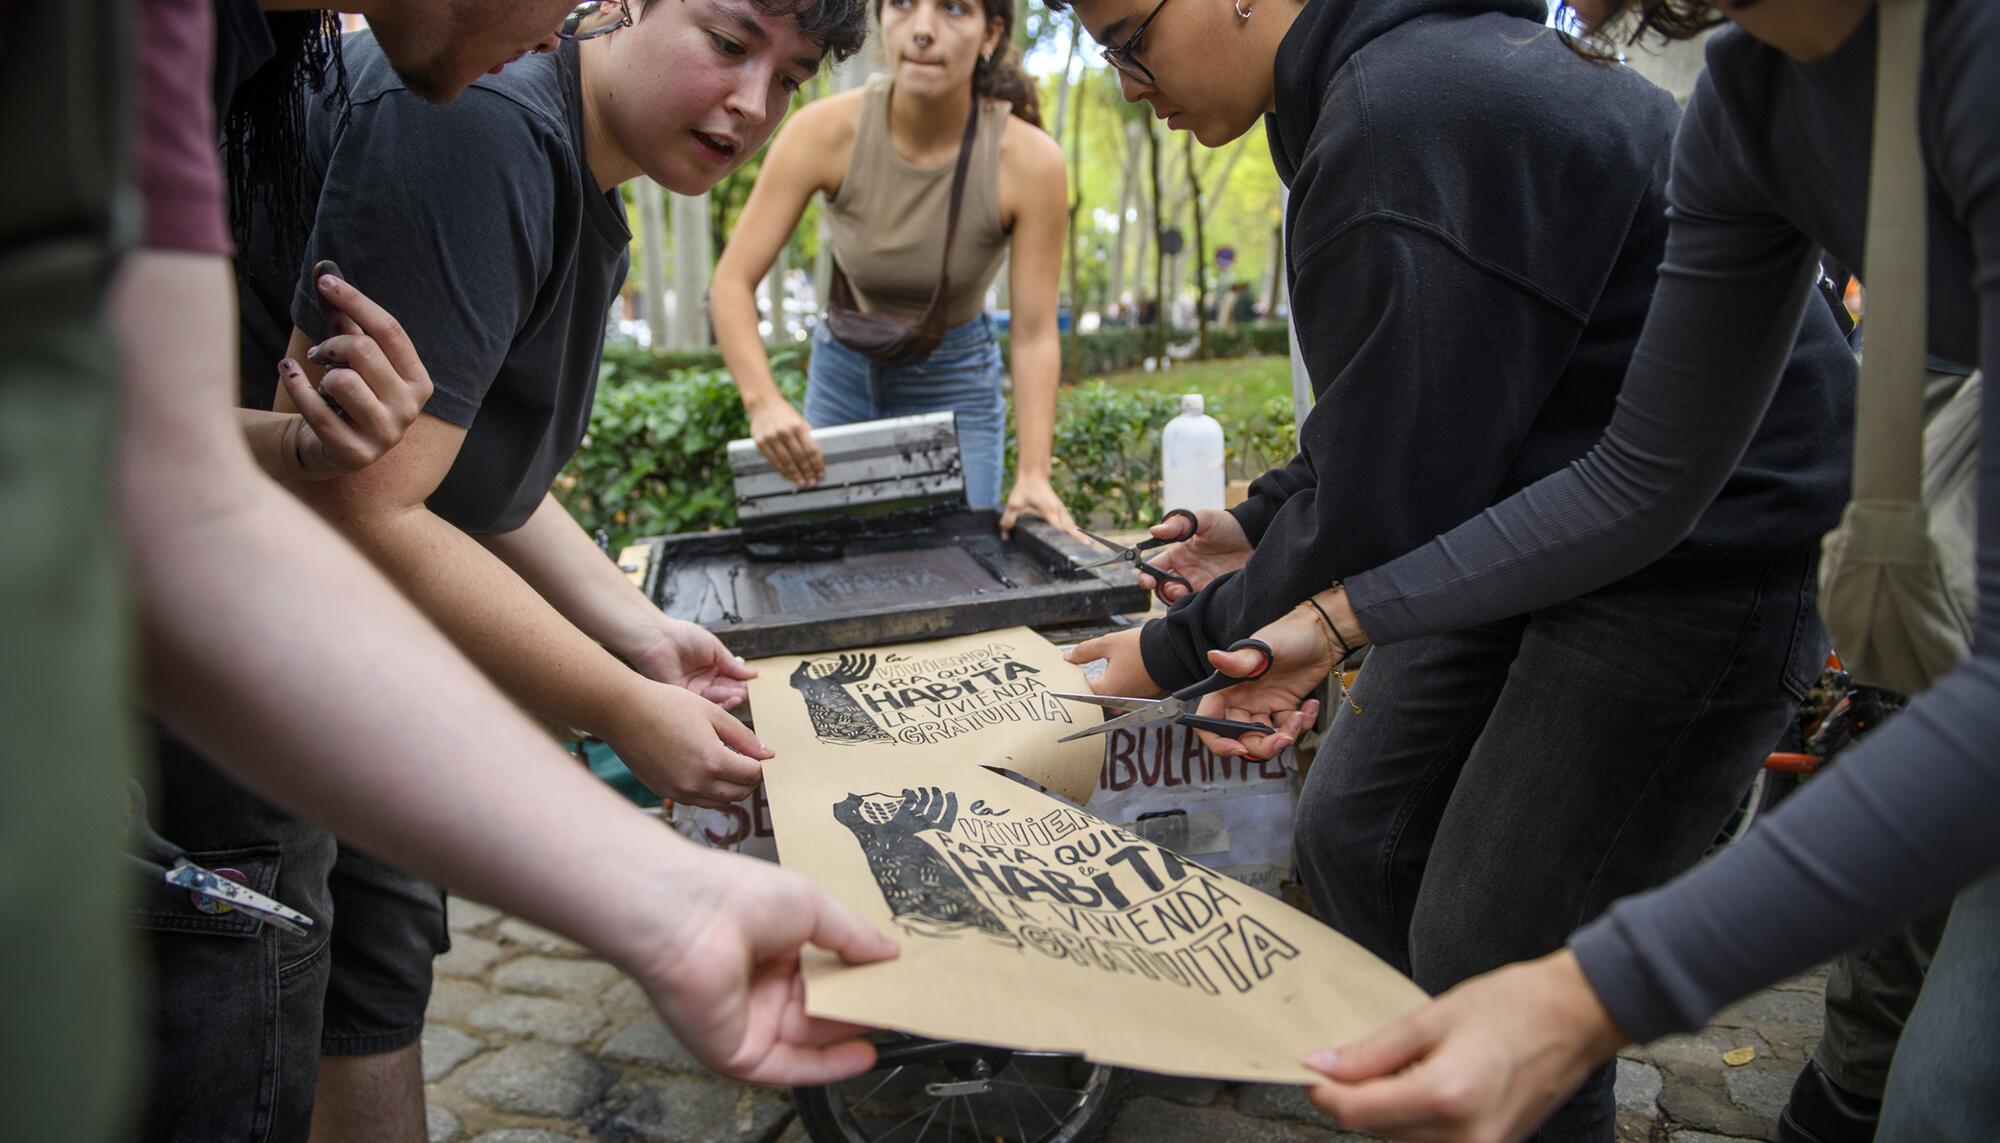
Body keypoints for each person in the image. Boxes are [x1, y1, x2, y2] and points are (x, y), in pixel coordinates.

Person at [1169, 0, 1996, 1139]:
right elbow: (1635, 485)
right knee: (1359, 836)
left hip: (1772, 575)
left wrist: (1581, 995)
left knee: (1947, 1097)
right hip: (1639, 547)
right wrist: (1338, 618)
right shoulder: (1746, 101)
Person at [122, 1, 895, 1140]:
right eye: (729, 44)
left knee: (374, 965)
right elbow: (360, 504)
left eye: (787, 78)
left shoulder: (566, 160)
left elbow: (468, 485)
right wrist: (615, 705)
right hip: (233, 636)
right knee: (246, 997)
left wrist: (634, 634)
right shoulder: (477, 121)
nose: (753, 103)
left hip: (312, 617)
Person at [711, 0, 1077, 538]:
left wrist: (1034, 474)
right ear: (881, 19)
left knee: (961, 559)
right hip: (842, 372)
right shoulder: (823, 131)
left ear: (990, 33)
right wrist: (763, 402)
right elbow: (731, 283)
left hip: (956, 376)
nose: (923, 30)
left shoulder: (1031, 162)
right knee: (824, 556)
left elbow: (1033, 334)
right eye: (903, 4)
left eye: (953, 9)